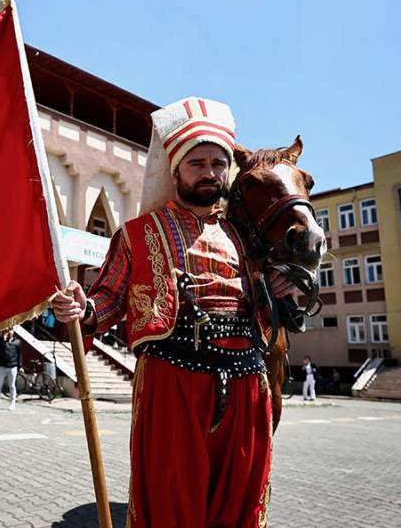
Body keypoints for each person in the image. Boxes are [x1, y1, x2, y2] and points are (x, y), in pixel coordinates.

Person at [51, 97, 301, 528]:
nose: (209, 172)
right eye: (197, 163)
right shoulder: (136, 234)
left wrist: (284, 286)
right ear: (175, 173)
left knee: (239, 504)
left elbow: (282, 290)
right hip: (173, 383)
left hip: (246, 381)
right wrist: (82, 307)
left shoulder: (248, 237)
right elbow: (108, 300)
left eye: (218, 164)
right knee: (171, 504)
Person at [0, 328, 22, 411]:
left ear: (13, 332)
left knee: (12, 386)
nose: (9, 332)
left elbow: (19, 355)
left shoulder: (17, 342)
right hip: (1, 366)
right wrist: (3, 340)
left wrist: (20, 366)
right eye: (7, 331)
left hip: (12, 366)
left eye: (11, 330)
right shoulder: (1, 340)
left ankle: (12, 403)